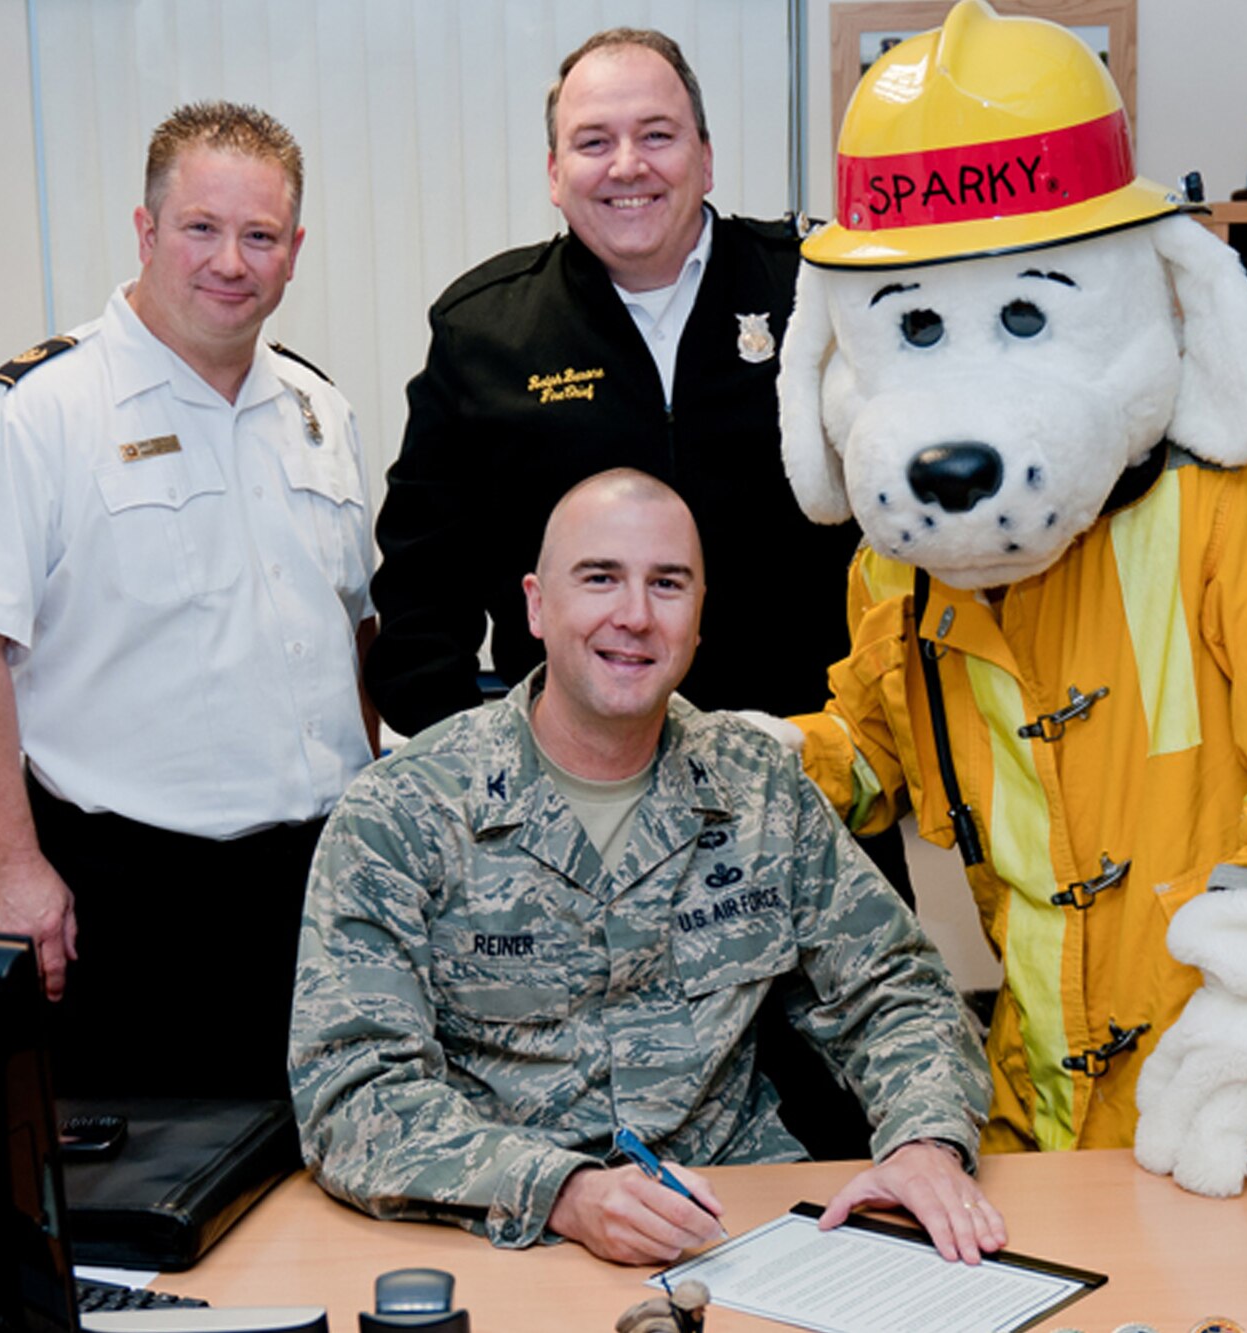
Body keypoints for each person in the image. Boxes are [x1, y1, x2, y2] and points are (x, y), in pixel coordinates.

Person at [364, 24, 893, 1159]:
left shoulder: (824, 295)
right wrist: (494, 783)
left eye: (656, 134)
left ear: (705, 152)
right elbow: (418, 593)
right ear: (553, 172)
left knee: (842, 1120)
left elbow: (906, 535)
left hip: (808, 789)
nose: (627, 165)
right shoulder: (485, 330)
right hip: (580, 824)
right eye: (591, 141)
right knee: (591, 1137)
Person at [292, 470, 999, 1266]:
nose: (634, 616)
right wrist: (564, 1191)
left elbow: (896, 989)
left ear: (699, 617)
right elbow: (351, 1093)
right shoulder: (403, 811)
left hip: (740, 1230)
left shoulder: (759, 786)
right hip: (502, 1238)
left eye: (668, 584)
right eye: (600, 578)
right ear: (534, 605)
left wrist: (924, 1139)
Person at [0, 100, 376, 1101]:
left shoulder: (316, 410)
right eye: (201, 228)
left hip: (313, 888)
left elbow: (352, 633)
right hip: (127, 896)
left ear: (294, 250)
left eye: (259, 237)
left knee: (324, 1171)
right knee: (151, 1207)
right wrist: (9, 867)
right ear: (146, 229)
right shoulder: (39, 411)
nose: (230, 262)